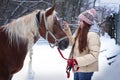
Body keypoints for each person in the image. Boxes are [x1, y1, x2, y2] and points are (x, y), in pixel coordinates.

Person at [63, 8, 101, 80]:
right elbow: (73, 44)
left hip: (86, 69)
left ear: (87, 23)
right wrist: (67, 30)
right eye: (79, 20)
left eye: (81, 21)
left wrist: (77, 61)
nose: (78, 22)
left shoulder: (93, 35)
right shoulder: (81, 33)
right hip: (78, 67)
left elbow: (94, 55)